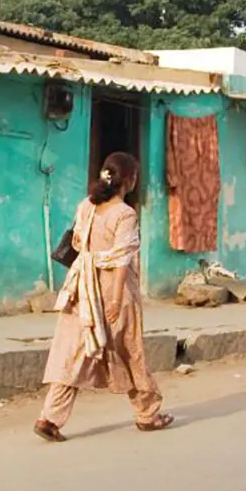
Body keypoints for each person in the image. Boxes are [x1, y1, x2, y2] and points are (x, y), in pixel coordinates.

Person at [34, 152, 174, 442]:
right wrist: (113, 301)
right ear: (130, 180)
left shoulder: (86, 206)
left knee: (74, 353)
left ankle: (49, 418)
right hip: (112, 290)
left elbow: (75, 242)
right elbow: (122, 261)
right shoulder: (125, 214)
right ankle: (148, 414)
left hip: (81, 286)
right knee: (130, 351)